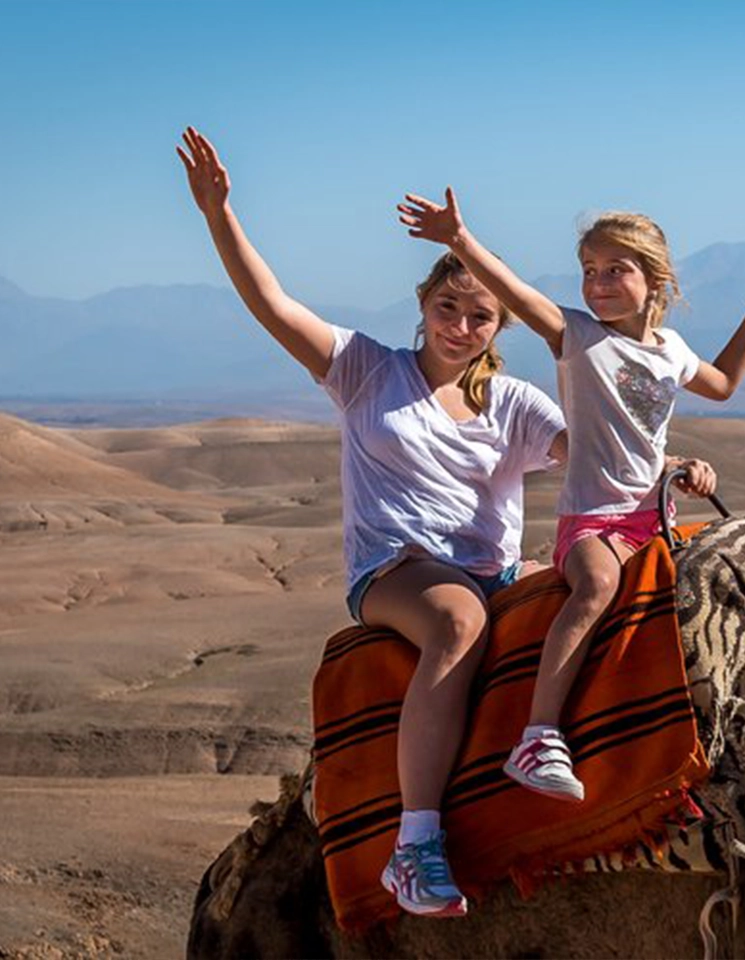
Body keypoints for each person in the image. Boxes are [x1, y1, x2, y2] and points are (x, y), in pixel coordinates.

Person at [177, 128, 568, 919]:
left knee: (588, 595)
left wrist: (669, 469)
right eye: (447, 307)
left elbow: (593, 452)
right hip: (398, 568)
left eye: (481, 316)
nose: (461, 325)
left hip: (495, 566)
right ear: (422, 307)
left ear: (502, 327)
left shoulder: (517, 404)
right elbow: (273, 305)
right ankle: (414, 844)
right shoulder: (365, 370)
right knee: (458, 621)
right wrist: (220, 216)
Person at [398, 186, 745, 802]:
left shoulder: (671, 351)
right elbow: (513, 293)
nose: (599, 283)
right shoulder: (578, 337)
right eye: (589, 271)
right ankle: (538, 736)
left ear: (654, 279)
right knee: (598, 586)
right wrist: (459, 241)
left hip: (650, 517)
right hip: (592, 523)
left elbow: (723, 384)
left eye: (616, 270)